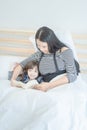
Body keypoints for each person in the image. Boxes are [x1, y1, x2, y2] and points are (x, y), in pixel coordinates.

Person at [11, 26, 80, 92]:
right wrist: (13, 80)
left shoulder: (64, 51)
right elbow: (21, 65)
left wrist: (49, 85)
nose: (41, 49)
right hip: (45, 86)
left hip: (62, 84)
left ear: (51, 42)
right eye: (38, 46)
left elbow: (72, 75)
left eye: (44, 46)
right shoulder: (39, 54)